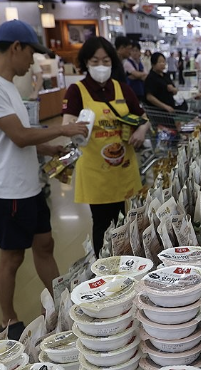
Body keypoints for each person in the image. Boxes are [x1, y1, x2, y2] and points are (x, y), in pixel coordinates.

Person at [0, 20, 89, 339]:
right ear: (15, 48)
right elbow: (20, 136)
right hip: (6, 187)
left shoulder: (8, 86)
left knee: (45, 244)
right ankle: (7, 319)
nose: (33, 61)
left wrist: (50, 148)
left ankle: (62, 302)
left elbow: (18, 138)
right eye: (31, 54)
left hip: (28, 183)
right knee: (12, 256)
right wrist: (63, 129)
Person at [62, 36, 150, 254]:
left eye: (106, 61)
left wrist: (140, 130)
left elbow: (143, 117)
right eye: (94, 61)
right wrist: (77, 127)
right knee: (102, 223)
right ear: (85, 63)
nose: (101, 66)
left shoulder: (122, 89)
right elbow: (67, 125)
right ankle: (104, 264)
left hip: (123, 167)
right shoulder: (77, 91)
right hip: (95, 171)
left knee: (123, 219)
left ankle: (124, 261)